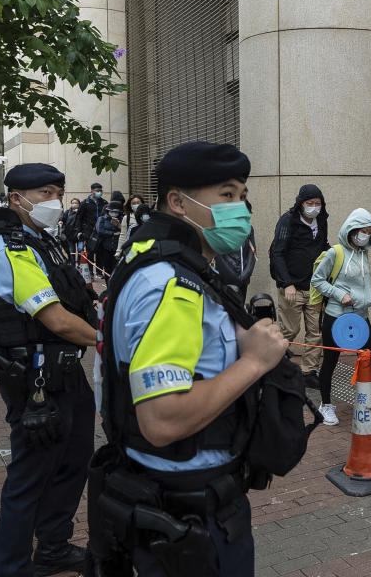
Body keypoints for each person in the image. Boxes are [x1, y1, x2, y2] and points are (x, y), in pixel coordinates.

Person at [93, 141, 287, 576]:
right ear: (179, 202)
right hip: (189, 512)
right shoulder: (173, 284)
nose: (241, 209)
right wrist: (254, 362)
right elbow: (162, 420)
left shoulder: (159, 258)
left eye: (242, 197)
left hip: (169, 497)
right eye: (227, 195)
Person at [0, 163, 98, 577]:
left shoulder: (40, 240)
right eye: (44, 193)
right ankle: (10, 567)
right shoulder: (9, 246)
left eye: (58, 192)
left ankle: (54, 548)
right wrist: (110, 342)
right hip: (35, 378)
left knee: (74, 461)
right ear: (15, 198)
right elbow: (55, 319)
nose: (54, 201)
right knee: (31, 474)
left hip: (63, 372)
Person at [311, 208, 371, 432]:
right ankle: (326, 405)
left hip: (360, 318)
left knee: (370, 363)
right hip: (336, 317)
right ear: (351, 230)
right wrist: (341, 294)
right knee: (330, 361)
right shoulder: (335, 252)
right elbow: (317, 280)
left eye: (369, 232)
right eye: (362, 231)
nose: (365, 236)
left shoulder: (364, 254)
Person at [269, 185, 329, 388]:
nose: (314, 208)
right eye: (309, 203)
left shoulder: (321, 220)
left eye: (317, 204)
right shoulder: (288, 221)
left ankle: (308, 371)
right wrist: (287, 283)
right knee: (289, 330)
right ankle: (273, 366)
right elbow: (277, 252)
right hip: (292, 287)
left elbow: (322, 246)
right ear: (301, 203)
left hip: (314, 287)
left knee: (315, 332)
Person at [76, 182, 107, 278]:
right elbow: (78, 218)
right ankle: (90, 272)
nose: (99, 193)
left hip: (101, 232)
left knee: (100, 252)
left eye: (101, 191)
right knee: (90, 252)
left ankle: (99, 272)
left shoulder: (104, 203)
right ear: (92, 191)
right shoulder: (85, 203)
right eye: (97, 191)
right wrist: (79, 231)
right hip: (88, 231)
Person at [93, 200, 121, 283]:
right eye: (112, 211)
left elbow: (125, 231)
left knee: (116, 268)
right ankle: (108, 285)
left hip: (117, 247)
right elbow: (100, 231)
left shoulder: (121, 219)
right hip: (104, 247)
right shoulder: (102, 219)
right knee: (107, 268)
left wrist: (119, 225)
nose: (114, 213)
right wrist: (113, 233)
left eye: (116, 212)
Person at [60, 198, 81, 266]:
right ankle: (72, 264)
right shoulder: (68, 212)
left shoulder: (81, 212)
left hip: (79, 234)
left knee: (80, 250)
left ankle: (79, 263)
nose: (74, 204)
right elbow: (62, 219)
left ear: (79, 204)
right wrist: (60, 221)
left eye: (76, 203)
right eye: (73, 203)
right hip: (69, 235)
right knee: (72, 251)